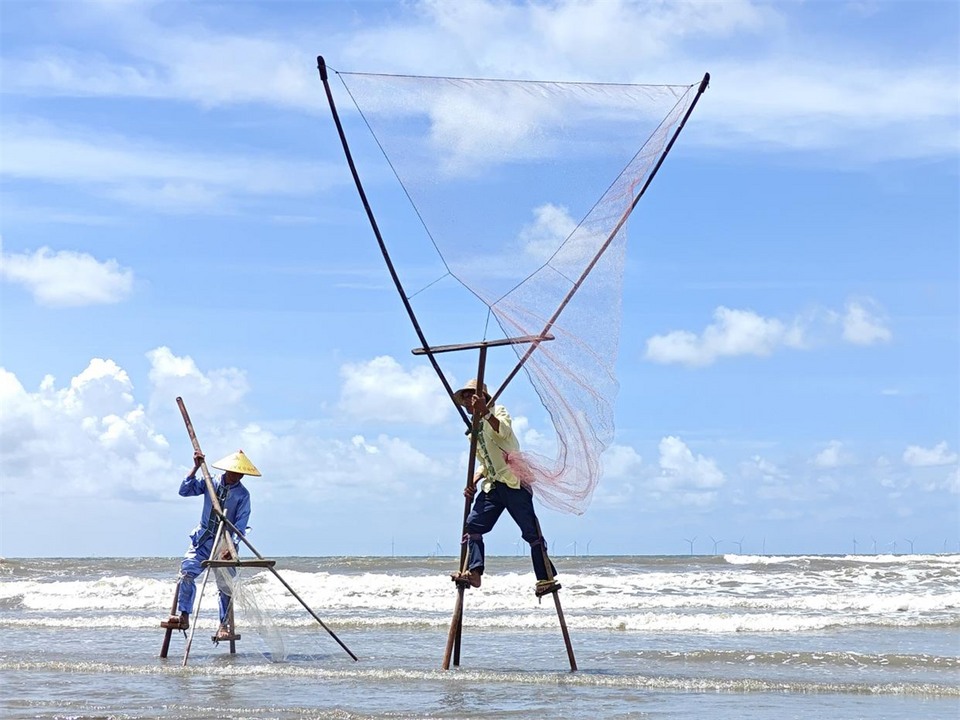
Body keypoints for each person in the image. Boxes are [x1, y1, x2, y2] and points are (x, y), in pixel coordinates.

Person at [452, 379, 557, 595]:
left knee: (531, 532)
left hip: (514, 481)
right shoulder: (474, 431)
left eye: (470, 400)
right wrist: (474, 479)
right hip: (493, 486)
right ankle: (475, 572)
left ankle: (545, 578)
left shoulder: (498, 412)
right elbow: (485, 462)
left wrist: (487, 413)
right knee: (473, 526)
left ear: (480, 399)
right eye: (465, 402)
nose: (467, 405)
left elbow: (504, 433)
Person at [167, 449, 259, 638]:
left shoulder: (243, 495)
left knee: (226, 586)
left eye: (241, 474)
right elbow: (184, 491)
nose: (237, 476)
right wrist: (194, 468)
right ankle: (184, 616)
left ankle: (223, 626)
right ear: (227, 470)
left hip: (224, 544)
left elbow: (240, 526)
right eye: (234, 472)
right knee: (186, 573)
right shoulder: (211, 482)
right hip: (202, 540)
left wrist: (231, 548)